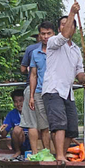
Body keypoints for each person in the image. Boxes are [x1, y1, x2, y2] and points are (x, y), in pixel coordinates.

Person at [42, 2, 85, 162]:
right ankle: (59, 157)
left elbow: (78, 74)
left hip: (67, 92)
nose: (66, 27)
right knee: (60, 124)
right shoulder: (53, 42)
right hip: (53, 90)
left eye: (69, 24)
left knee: (71, 129)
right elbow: (63, 36)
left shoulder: (76, 49)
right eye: (63, 25)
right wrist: (71, 12)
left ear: (75, 29)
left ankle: (62, 155)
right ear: (59, 29)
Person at [25, 21, 55, 154]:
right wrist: (31, 96)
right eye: (43, 34)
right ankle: (47, 153)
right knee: (43, 126)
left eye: (49, 33)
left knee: (56, 125)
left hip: (55, 92)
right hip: (39, 92)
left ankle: (58, 152)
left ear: (54, 34)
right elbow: (33, 75)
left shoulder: (58, 50)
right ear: (39, 35)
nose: (46, 37)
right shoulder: (35, 53)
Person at [19, 34, 42, 152]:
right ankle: (48, 151)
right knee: (46, 125)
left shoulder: (30, 49)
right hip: (49, 89)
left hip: (32, 88)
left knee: (32, 123)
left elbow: (23, 69)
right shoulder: (57, 48)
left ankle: (35, 152)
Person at [0, 89, 30, 160]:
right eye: (16, 102)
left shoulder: (32, 111)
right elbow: (4, 134)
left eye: (21, 101)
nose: (18, 104)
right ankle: (18, 151)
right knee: (16, 129)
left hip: (32, 142)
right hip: (19, 142)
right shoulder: (11, 114)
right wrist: (2, 129)